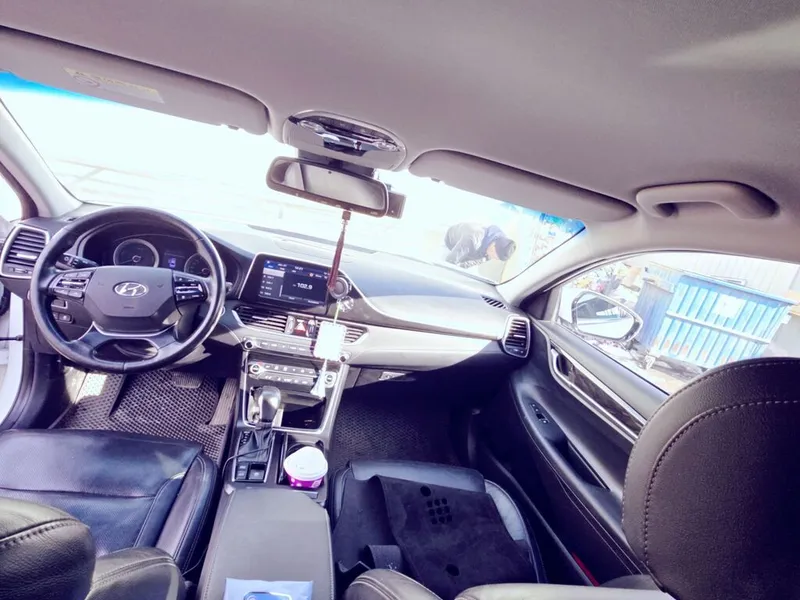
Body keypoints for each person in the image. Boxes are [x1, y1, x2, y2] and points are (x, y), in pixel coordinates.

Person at [444, 223, 516, 269]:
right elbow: (449, 262)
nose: (493, 258)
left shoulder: (489, 254)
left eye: (496, 258)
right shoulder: (473, 238)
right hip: (451, 240)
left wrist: (460, 267)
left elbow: (468, 264)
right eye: (495, 256)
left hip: (469, 250)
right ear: (494, 245)